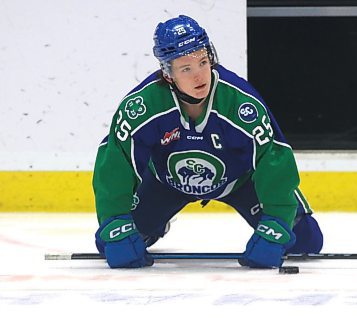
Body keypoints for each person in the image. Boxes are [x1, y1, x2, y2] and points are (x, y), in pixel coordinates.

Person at [92, 15, 323, 269]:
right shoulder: (143, 106)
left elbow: (273, 158)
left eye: (203, 62)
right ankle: (155, 223)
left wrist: (277, 223)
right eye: (186, 69)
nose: (199, 76)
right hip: (166, 183)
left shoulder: (240, 103)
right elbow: (116, 160)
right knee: (110, 244)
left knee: (306, 240)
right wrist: (115, 222)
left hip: (239, 182)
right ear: (168, 73)